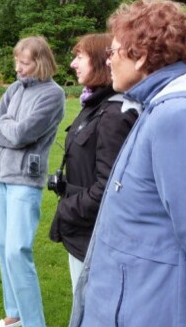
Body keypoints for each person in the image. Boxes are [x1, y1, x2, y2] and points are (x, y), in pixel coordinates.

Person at [69, 0, 186, 326]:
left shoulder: (177, 115)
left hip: (149, 310)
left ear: (139, 56)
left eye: (112, 52)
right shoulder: (155, 105)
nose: (108, 61)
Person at [0, 36, 65, 327]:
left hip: (25, 180)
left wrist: (5, 125)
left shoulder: (52, 95)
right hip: (0, 175)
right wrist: (8, 125)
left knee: (18, 251)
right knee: (3, 245)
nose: (18, 68)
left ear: (40, 62)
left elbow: (20, 134)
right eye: (16, 61)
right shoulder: (17, 88)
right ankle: (14, 316)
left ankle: (34, 323)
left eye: (25, 63)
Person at [48, 33, 137, 292]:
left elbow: (110, 187)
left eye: (79, 57)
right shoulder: (94, 105)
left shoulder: (113, 114)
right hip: (82, 233)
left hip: (94, 235)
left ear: (100, 61)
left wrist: (67, 208)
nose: (73, 64)